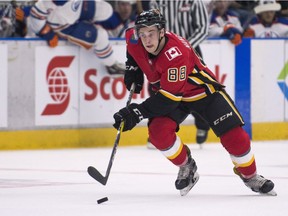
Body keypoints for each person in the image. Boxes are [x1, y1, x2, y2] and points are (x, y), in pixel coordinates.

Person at [113, 9, 276, 196]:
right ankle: (187, 167)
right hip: (171, 93)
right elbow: (131, 47)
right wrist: (132, 67)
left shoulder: (176, 54)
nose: (146, 39)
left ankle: (250, 176)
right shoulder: (134, 38)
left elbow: (168, 100)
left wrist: (137, 112)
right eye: (142, 34)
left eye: (151, 33)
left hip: (202, 92)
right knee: (158, 134)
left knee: (236, 138)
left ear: (162, 31)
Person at [147, 0, 211, 147]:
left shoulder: (193, 1)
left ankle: (202, 124)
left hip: (190, 52)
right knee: (158, 90)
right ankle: (156, 131)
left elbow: (202, 29)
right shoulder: (156, 1)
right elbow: (151, 26)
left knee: (195, 89)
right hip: (163, 53)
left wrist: (184, 47)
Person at [27, 0, 125, 75]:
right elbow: (35, 17)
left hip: (78, 7)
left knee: (105, 9)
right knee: (100, 35)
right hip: (65, 26)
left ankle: (88, 22)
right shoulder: (46, 3)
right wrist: (48, 33)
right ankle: (111, 65)